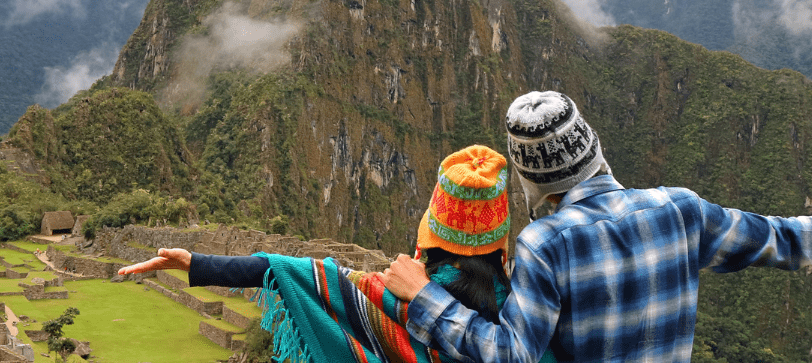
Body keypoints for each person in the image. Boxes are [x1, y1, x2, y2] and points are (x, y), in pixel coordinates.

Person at [381, 90, 812, 363]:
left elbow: (510, 356)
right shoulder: (678, 210)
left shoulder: (545, 243)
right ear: (595, 151)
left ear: (531, 184)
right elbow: (784, 239)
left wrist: (425, 298)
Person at [118, 145, 555, 363]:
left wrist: (195, 262)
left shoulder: (394, 298)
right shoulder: (532, 306)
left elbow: (306, 273)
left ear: (432, 232)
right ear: (500, 238)